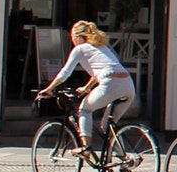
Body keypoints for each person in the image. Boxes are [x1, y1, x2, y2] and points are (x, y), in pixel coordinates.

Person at [36, 20, 134, 157]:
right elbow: (104, 69)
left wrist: (49, 88)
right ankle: (124, 160)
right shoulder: (102, 47)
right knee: (108, 126)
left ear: (77, 36)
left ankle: (86, 148)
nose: (73, 41)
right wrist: (87, 88)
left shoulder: (80, 49)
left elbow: (65, 72)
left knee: (84, 109)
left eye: (72, 38)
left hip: (110, 83)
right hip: (128, 84)